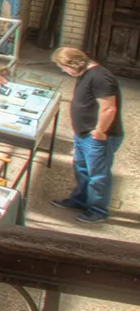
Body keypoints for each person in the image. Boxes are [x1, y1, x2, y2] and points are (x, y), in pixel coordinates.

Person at [49, 45, 124, 223]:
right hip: (83, 134)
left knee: (98, 175)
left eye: (64, 67)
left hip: (97, 137)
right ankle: (80, 200)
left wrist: (100, 131)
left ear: (74, 63)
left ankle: (98, 211)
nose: (63, 71)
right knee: (81, 169)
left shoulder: (101, 78)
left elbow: (108, 108)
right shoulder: (84, 74)